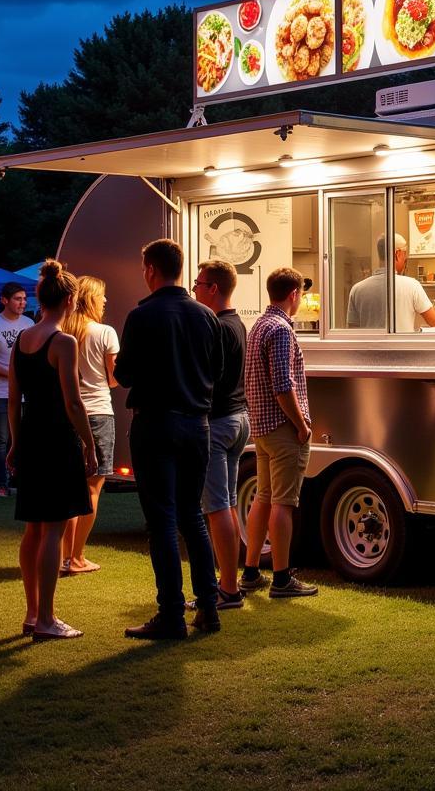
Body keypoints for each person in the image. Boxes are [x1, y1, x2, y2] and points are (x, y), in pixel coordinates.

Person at [114, 239, 223, 639]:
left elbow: (124, 375)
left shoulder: (142, 316)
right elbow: (218, 370)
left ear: (150, 270)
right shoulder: (206, 316)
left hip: (155, 424)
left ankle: (171, 614)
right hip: (197, 425)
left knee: (161, 522)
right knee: (193, 516)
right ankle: (209, 608)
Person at [8, 261, 98, 641]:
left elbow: (14, 400)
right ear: (69, 299)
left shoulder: (22, 340)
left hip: (30, 436)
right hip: (56, 438)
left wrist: (14, 442)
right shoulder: (63, 342)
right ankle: (45, 618)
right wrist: (90, 445)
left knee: (34, 529)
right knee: (53, 531)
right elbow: (73, 402)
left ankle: (33, 614)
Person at [239, 267, 317, 599]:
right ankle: (282, 577)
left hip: (261, 428)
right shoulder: (283, 330)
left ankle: (251, 570)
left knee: (264, 497)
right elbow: (283, 385)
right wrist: (301, 425)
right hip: (283, 429)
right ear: (294, 294)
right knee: (284, 503)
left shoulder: (258, 325)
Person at [191, 258, 250, 611]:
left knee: (218, 508)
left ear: (213, 288)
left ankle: (227, 587)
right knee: (225, 503)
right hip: (238, 418)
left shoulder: (216, 326)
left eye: (198, 284)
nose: (194, 289)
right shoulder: (237, 323)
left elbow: (208, 379)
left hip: (219, 422)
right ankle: (227, 582)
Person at [60, 275, 119, 575]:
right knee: (92, 488)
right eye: (103, 296)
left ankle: (62, 557)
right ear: (92, 299)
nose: (106, 301)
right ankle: (78, 557)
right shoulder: (105, 332)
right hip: (98, 413)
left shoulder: (62, 330)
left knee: (69, 489)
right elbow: (113, 379)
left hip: (67, 414)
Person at [0, 281, 33, 497]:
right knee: (2, 439)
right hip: (0, 393)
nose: (22, 302)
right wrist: (12, 375)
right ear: (4, 300)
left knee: (21, 439)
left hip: (26, 394)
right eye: (17, 299)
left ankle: (18, 481)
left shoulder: (30, 323)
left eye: (24, 299)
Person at [347, 234, 435, 332]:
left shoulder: (357, 290)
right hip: (403, 347)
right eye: (405, 255)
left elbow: (353, 331)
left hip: (370, 347)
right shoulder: (412, 286)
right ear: (397, 254)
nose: (405, 260)